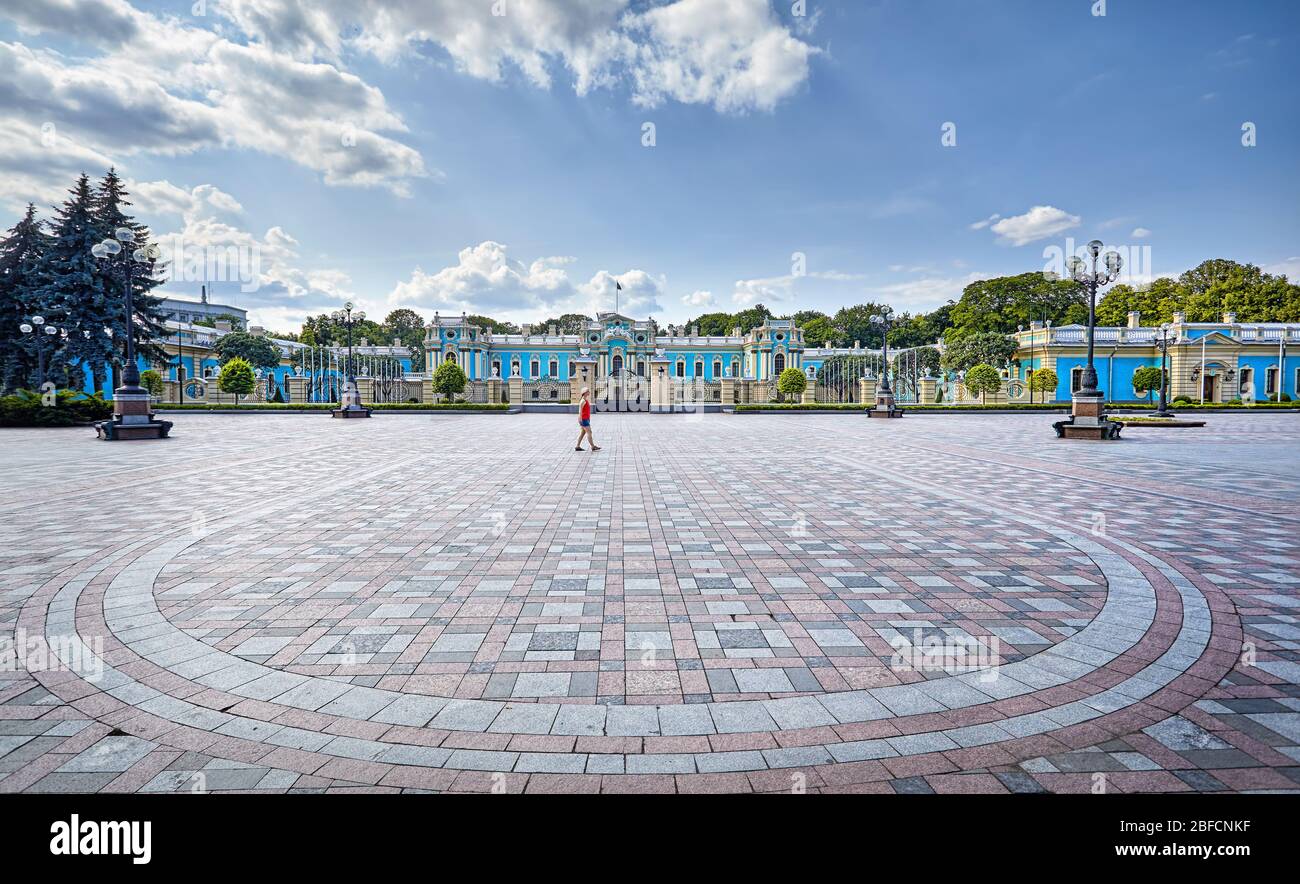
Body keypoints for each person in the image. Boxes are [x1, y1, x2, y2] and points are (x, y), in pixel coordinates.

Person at [575, 387, 601, 452]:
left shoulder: (585, 400)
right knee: (589, 432)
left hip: (585, 419)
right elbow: (580, 411)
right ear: (585, 393)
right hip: (584, 419)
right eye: (588, 391)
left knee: (582, 433)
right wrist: (580, 419)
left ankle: (577, 446)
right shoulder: (583, 401)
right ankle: (593, 446)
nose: (589, 392)